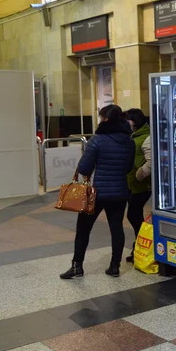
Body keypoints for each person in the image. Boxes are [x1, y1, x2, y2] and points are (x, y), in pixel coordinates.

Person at [60, 105, 135, 279]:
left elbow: (84, 168)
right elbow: (129, 167)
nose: (100, 120)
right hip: (119, 192)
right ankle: (114, 267)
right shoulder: (129, 141)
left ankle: (77, 267)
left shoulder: (97, 140)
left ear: (106, 120)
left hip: (97, 194)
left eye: (101, 118)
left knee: (83, 229)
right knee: (117, 228)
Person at [124, 108, 152, 263]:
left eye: (128, 119)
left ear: (135, 121)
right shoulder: (133, 136)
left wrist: (139, 175)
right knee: (134, 215)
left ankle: (141, 246)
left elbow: (151, 162)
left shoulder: (145, 137)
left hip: (141, 186)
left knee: (133, 215)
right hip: (132, 185)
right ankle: (139, 246)